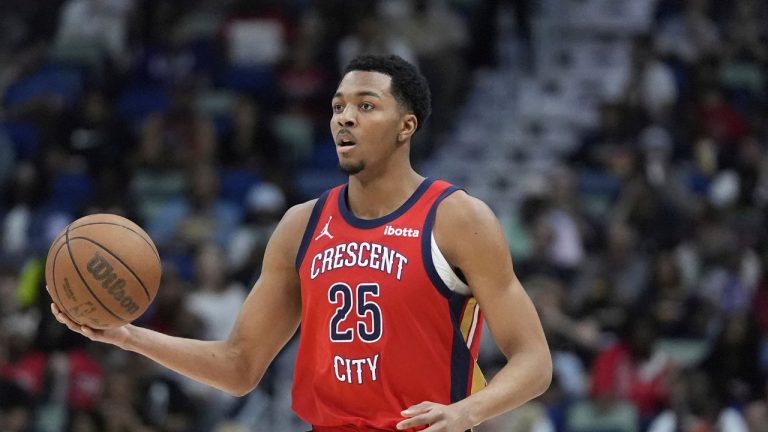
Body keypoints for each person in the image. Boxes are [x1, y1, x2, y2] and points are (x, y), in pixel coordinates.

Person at [49, 54, 552, 431]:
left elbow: (534, 360)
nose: (344, 117)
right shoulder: (300, 226)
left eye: (365, 105)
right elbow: (239, 366)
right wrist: (126, 335)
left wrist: (467, 412)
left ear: (406, 126)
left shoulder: (458, 218)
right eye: (338, 106)